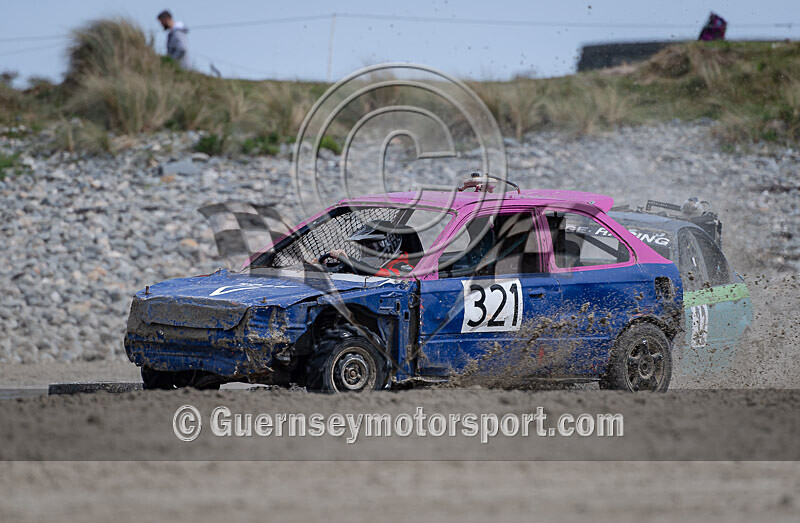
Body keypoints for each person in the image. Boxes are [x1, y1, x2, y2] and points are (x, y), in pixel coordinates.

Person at [324, 221, 416, 277]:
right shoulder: (380, 265)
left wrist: (350, 261)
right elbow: (358, 271)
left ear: (389, 245)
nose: (367, 252)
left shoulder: (404, 267)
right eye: (363, 247)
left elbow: (374, 273)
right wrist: (324, 267)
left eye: (372, 247)